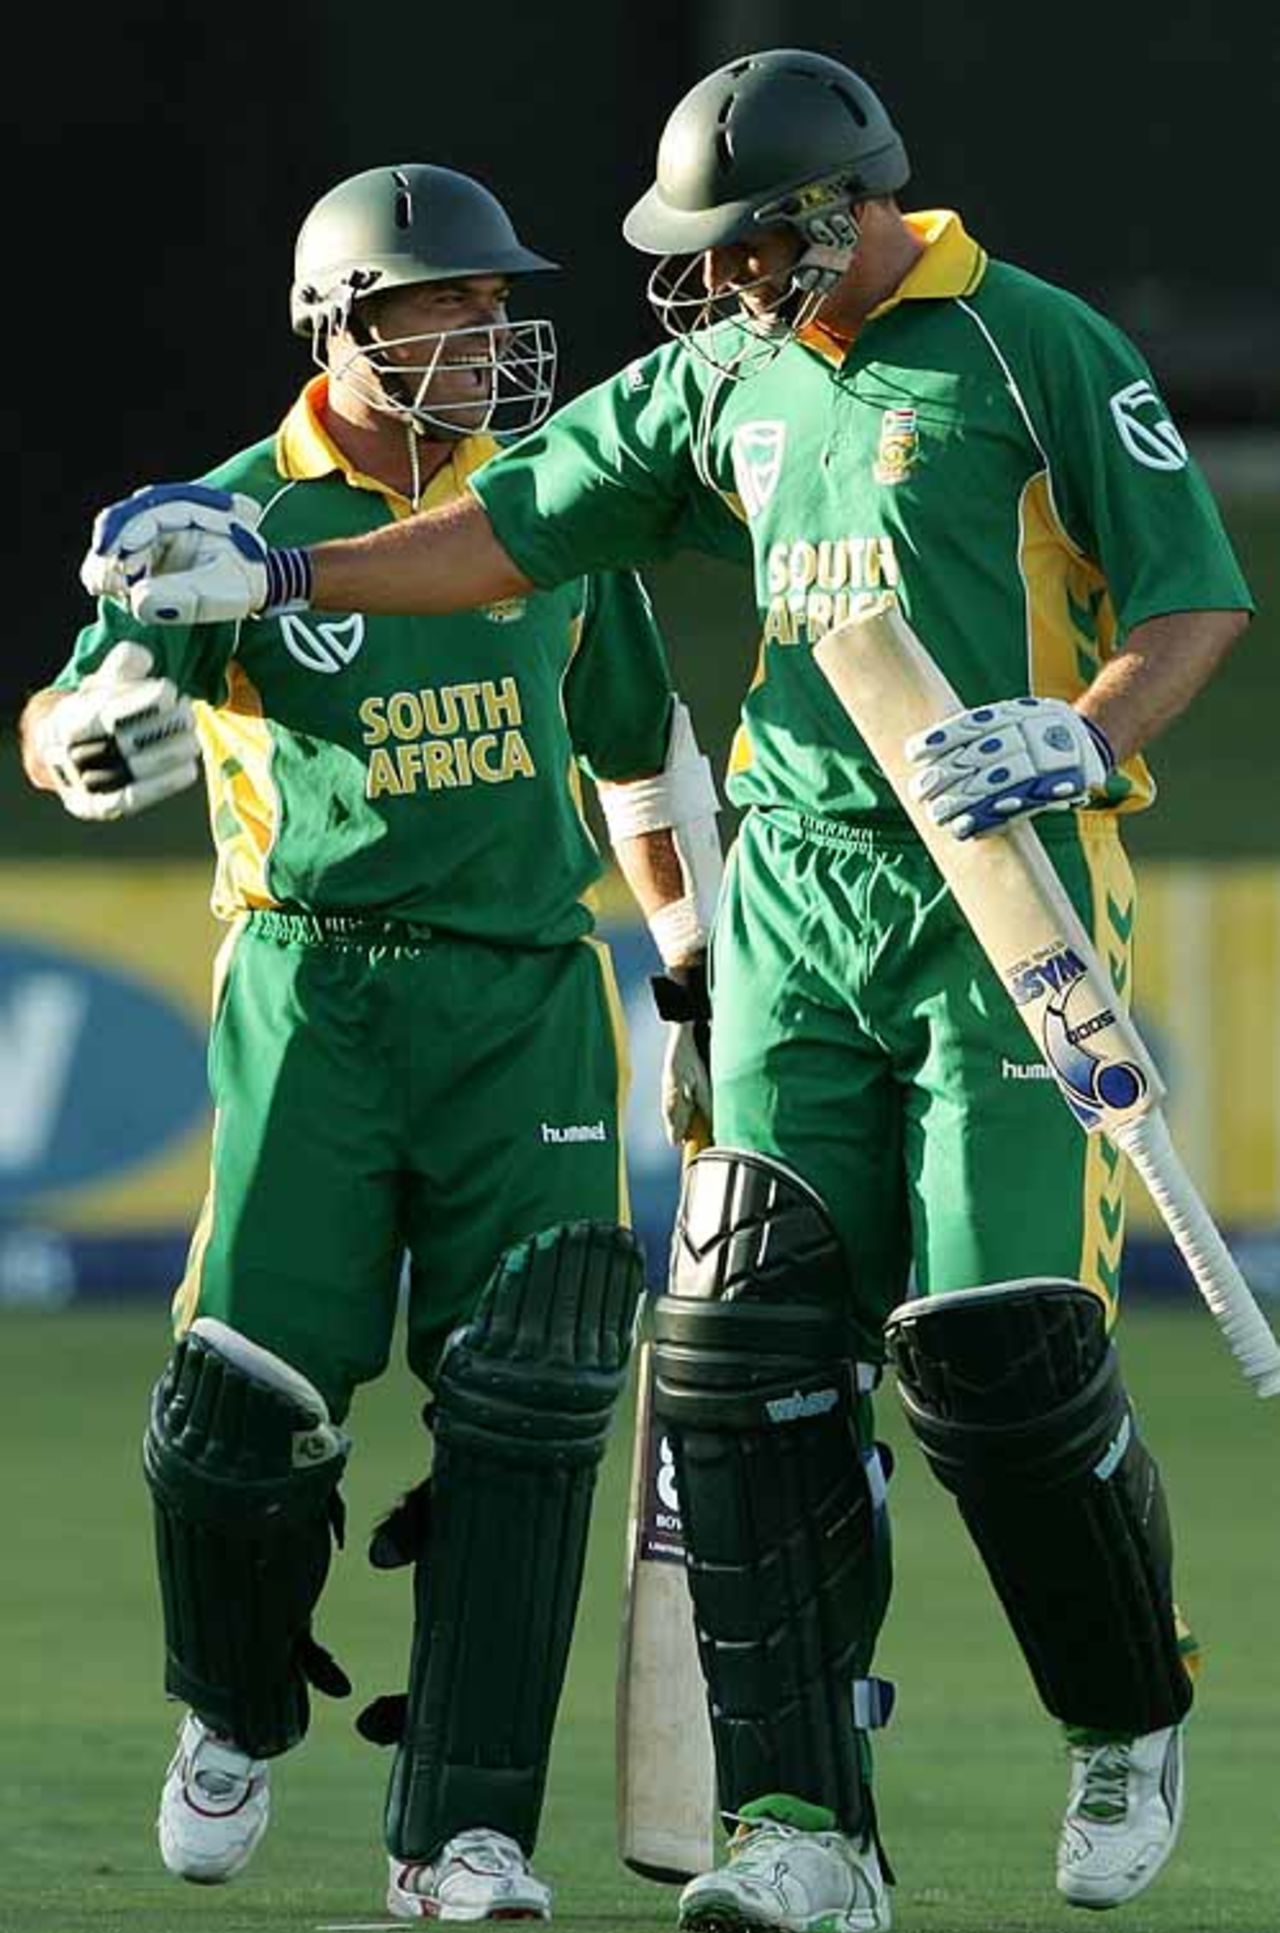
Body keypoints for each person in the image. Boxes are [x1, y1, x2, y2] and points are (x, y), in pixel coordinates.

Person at [77, 51, 1256, 1933]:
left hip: (996, 890)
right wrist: (284, 563)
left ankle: (1124, 1710)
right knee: (744, 1367)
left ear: (834, 216)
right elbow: (508, 526)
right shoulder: (725, 374)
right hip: (794, 895)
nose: (704, 290)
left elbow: (1191, 595)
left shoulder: (1035, 345)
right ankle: (800, 1825)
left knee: (1001, 1352)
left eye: (734, 251)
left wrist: (1083, 730)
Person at [22, 161, 726, 1925]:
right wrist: (82, 742)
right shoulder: (228, 516)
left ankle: (465, 1832)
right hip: (316, 994)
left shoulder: (551, 503)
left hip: (526, 1003)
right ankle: (238, 1711)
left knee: (540, 1402)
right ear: (343, 323)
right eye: (452, 306)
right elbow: (76, 704)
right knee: (239, 1407)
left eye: (501, 306)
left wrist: (699, 973)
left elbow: (639, 753)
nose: (492, 335)